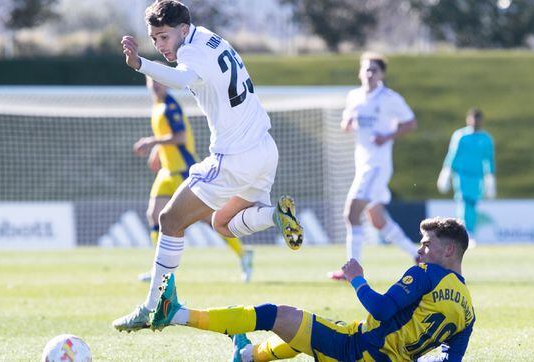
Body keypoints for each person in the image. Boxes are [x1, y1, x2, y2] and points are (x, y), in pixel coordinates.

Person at [113, 0, 303, 332]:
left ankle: (152, 306)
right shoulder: (211, 38)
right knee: (224, 224)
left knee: (169, 219)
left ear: (183, 30)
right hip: (264, 149)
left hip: (233, 158)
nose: (161, 46)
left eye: (164, 37)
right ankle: (274, 215)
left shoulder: (191, 53)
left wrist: (139, 63)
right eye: (154, 39)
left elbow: (181, 78)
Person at [148, 217, 475, 361]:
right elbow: (450, 359)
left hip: (356, 350)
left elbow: (381, 309)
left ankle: (175, 314)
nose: (420, 251)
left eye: (426, 244)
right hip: (367, 347)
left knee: (275, 314)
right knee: (304, 333)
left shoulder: (427, 273)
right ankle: (247, 355)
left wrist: (357, 279)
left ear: (449, 251)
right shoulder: (468, 311)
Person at [134, 75, 254, 283]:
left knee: (210, 219)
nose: (155, 84)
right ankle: (159, 271)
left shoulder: (170, 107)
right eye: (151, 80)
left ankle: (244, 255)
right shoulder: (157, 106)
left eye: (159, 80)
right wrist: (158, 152)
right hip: (167, 172)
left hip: (182, 170)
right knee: (154, 214)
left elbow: (180, 137)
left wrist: (152, 142)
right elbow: (168, 137)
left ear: (166, 82)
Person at [329, 52, 419, 281]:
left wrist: (387, 136)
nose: (369, 74)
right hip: (363, 164)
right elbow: (345, 124)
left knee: (351, 213)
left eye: (374, 70)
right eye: (366, 69)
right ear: (360, 72)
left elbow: (411, 123)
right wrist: (346, 124)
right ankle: (417, 254)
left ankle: (351, 269)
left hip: (377, 166)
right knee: (378, 221)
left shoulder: (389, 98)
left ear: (382, 75)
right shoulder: (354, 96)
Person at [437, 108, 496, 241]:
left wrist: (490, 177)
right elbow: (452, 154)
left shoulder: (485, 139)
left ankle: (471, 232)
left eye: (478, 119)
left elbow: (489, 159)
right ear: (468, 119)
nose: (475, 122)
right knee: (463, 200)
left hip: (477, 176)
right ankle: (464, 232)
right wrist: (446, 171)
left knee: (473, 202)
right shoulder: (461, 136)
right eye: (473, 118)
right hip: (461, 174)